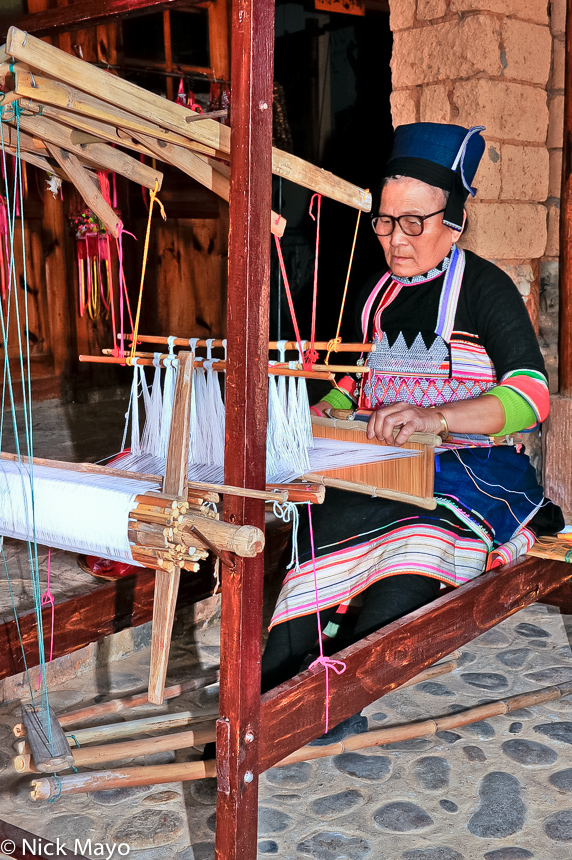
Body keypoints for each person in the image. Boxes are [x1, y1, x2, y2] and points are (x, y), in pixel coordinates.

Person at [260, 121, 563, 700]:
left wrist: (437, 419)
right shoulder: (377, 293)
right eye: (384, 221)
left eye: (412, 224)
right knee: (321, 526)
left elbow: (532, 397)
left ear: (454, 226)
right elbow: (358, 376)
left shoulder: (486, 288)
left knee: (412, 553)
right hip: (382, 465)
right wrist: (325, 410)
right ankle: (279, 690)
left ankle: (332, 694)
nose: (394, 239)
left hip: (472, 470)